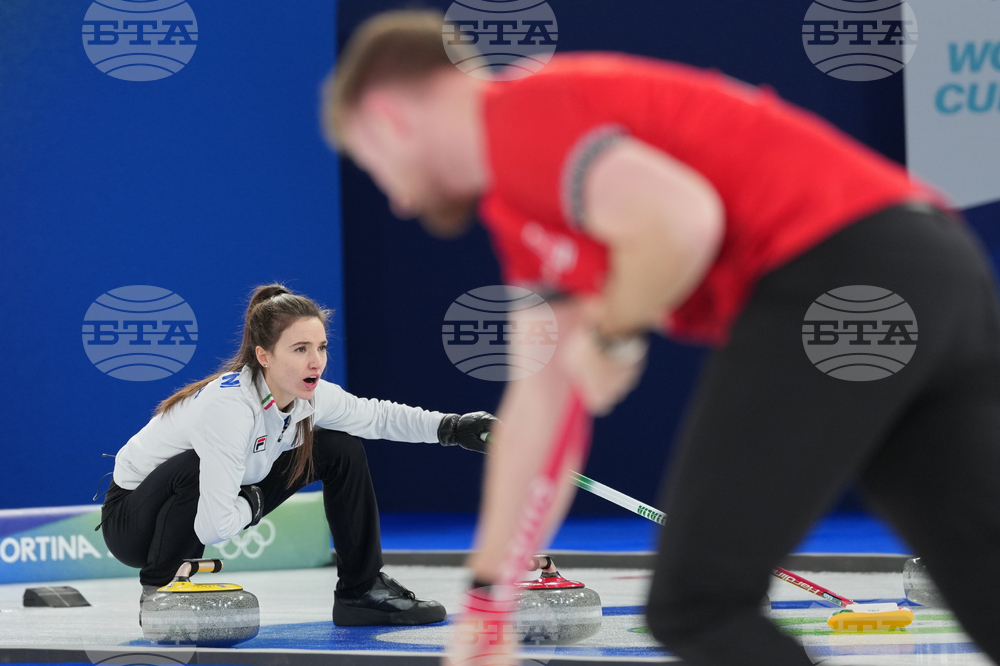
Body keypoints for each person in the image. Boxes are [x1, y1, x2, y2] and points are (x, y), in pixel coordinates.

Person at [321, 10, 1000, 666]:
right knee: (982, 573)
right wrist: (490, 601)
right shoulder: (521, 198)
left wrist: (616, 332)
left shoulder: (521, 117)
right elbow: (543, 405)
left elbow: (679, 220)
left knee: (696, 605)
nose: (398, 200)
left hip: (835, 273)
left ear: (389, 117)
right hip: (933, 266)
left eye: (374, 164)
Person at [100, 283, 497, 627]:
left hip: (235, 498)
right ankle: (159, 593)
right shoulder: (229, 409)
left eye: (321, 347)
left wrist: (453, 428)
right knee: (193, 465)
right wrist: (254, 503)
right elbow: (212, 526)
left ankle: (361, 591)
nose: (316, 361)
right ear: (264, 356)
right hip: (135, 524)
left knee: (339, 446)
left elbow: (377, 415)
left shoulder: (312, 394)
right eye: (301, 348)